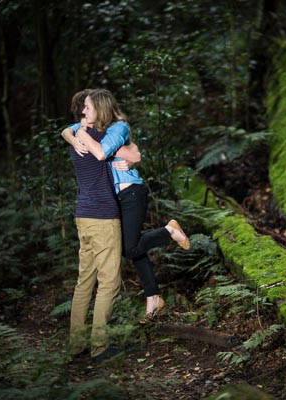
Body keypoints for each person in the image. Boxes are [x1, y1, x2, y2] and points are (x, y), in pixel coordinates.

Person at [62, 88, 190, 323]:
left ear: (99, 108)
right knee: (132, 246)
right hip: (113, 199)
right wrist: (71, 134)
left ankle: (168, 231)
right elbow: (68, 129)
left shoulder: (117, 128)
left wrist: (131, 156)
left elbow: (102, 153)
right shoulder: (94, 130)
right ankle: (153, 297)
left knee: (129, 248)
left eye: (87, 108)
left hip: (130, 192)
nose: (83, 113)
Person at [66, 89, 123, 363]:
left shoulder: (75, 138)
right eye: (85, 108)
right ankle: (99, 348)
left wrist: (72, 131)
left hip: (83, 216)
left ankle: (76, 346)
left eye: (88, 108)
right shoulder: (98, 137)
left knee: (84, 282)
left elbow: (70, 129)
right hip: (103, 217)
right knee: (109, 283)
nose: (85, 112)